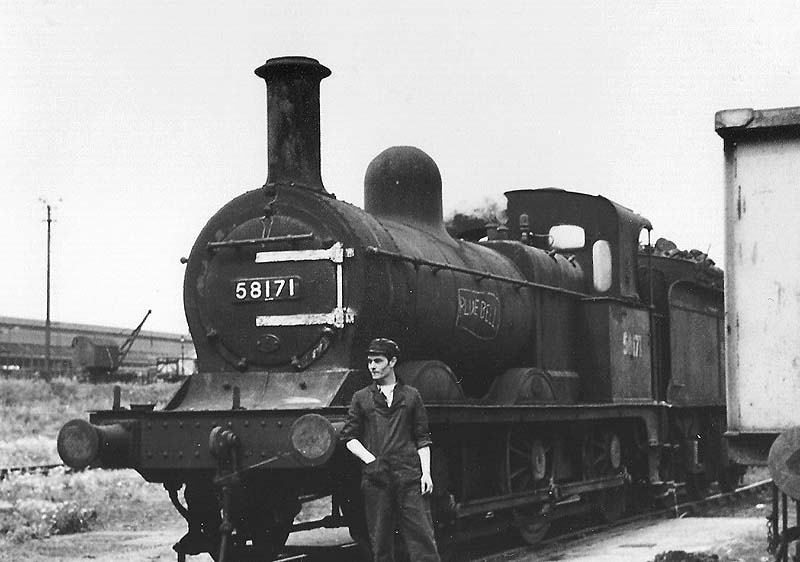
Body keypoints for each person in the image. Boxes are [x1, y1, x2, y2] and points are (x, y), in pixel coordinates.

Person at [340, 338, 441, 562]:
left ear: (392, 362)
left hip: (409, 477)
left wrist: (426, 473)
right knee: (380, 543)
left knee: (422, 539)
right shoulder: (361, 398)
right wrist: (370, 460)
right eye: (369, 361)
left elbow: (422, 437)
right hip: (376, 479)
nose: (372, 366)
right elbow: (348, 437)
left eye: (378, 361)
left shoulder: (412, 395)